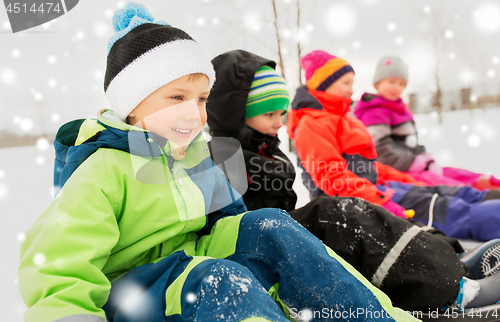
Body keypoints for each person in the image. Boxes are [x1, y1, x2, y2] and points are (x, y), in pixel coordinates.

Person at [17, 4, 418, 322]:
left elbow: (226, 221)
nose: (194, 114)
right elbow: (58, 273)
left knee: (271, 227)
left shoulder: (194, 156)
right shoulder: (104, 169)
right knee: (218, 279)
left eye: (202, 98)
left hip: (192, 262)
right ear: (131, 103)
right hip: (132, 293)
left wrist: (268, 246)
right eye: (176, 98)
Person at [206, 49, 500, 312]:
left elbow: (370, 167)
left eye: (281, 113)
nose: (279, 122)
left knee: (375, 215)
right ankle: (451, 290)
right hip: (260, 245)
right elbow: (226, 222)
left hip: (279, 235)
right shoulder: (224, 156)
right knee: (338, 214)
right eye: (269, 113)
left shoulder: (267, 150)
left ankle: (452, 266)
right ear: (237, 113)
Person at [287, 49, 500, 242]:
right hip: (351, 204)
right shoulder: (312, 124)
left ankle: (489, 198)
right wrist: (381, 200)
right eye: (345, 83)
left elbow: (366, 168)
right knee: (445, 210)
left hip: (372, 189)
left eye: (353, 83)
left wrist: (405, 180)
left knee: (436, 191)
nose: (351, 90)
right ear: (322, 83)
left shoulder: (340, 118)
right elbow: (332, 178)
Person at [354, 56, 500, 191]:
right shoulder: (374, 112)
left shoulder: (400, 109)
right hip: (395, 171)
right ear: (378, 83)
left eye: (401, 84)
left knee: (453, 172)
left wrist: (424, 157)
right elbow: (381, 152)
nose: (396, 87)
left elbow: (409, 144)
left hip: (409, 164)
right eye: (391, 82)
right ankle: (476, 195)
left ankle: (486, 184)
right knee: (443, 183)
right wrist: (417, 163)